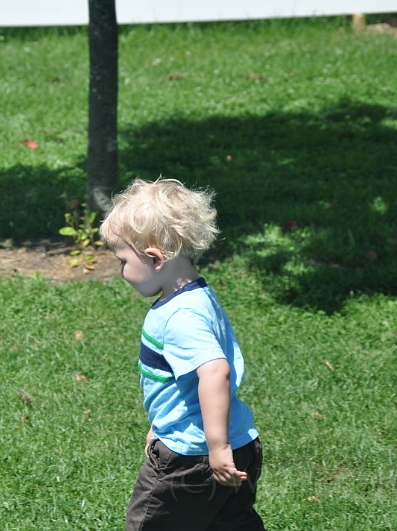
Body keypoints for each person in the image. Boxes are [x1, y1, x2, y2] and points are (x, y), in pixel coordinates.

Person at [99, 178, 265, 531]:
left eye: (123, 261)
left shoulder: (180, 317)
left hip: (192, 460)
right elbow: (182, 382)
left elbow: (215, 372)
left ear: (154, 258)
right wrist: (162, 425)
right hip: (240, 443)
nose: (122, 272)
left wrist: (216, 449)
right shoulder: (199, 296)